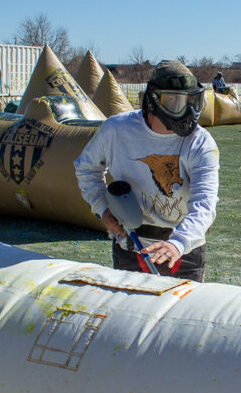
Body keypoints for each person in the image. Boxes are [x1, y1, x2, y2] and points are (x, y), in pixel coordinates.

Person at [74, 60, 219, 282]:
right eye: (175, 101)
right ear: (153, 100)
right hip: (130, 246)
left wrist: (178, 244)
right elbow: (86, 168)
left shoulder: (200, 143)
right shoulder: (116, 130)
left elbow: (205, 203)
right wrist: (102, 209)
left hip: (183, 251)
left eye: (193, 101)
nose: (188, 111)